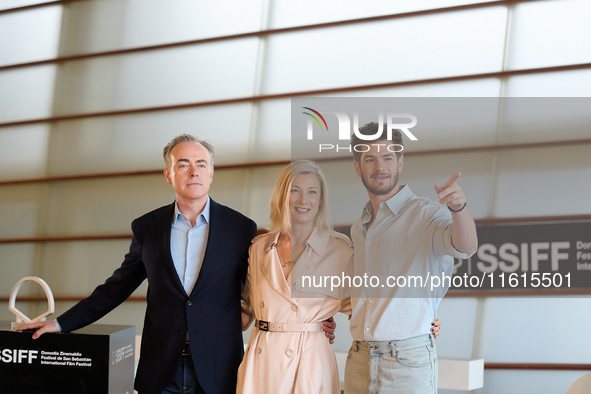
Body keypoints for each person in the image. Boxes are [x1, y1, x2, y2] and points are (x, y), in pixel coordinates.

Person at [18, 135, 258, 394]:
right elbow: (116, 287)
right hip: (161, 369)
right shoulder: (148, 228)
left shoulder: (241, 228)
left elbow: (259, 290)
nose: (194, 172)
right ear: (168, 174)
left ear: (211, 173)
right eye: (183, 164)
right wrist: (60, 324)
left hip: (219, 370)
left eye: (201, 164)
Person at [344, 123, 478, 394]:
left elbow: (465, 247)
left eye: (388, 157)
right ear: (358, 167)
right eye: (370, 158)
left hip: (406, 361)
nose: (380, 166)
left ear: (400, 162)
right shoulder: (359, 228)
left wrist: (458, 208)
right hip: (358, 358)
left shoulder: (425, 214)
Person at [237, 160, 353, 394]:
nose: (304, 200)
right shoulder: (259, 247)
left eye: (312, 192)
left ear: (321, 200)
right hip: (263, 360)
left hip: (310, 362)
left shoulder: (340, 249)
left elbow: (365, 308)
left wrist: (423, 322)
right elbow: (243, 310)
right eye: (295, 191)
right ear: (282, 195)